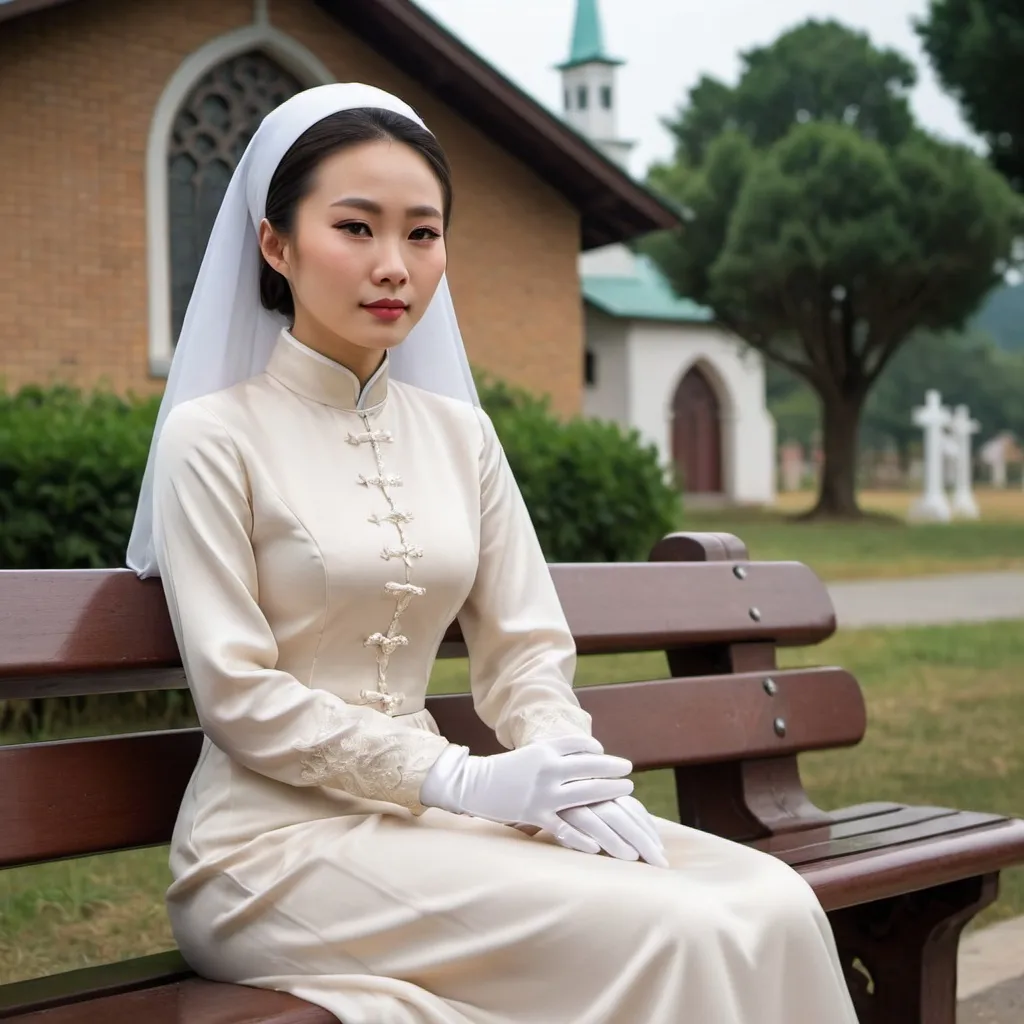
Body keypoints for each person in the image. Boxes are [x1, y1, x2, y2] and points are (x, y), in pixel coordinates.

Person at [127, 83, 859, 1024]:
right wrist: (459, 778)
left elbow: (525, 649)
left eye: (422, 234)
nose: (394, 265)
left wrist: (563, 769)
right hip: (270, 854)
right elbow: (237, 696)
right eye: (356, 228)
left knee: (773, 902)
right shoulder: (212, 437)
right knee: (683, 930)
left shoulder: (459, 435)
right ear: (275, 244)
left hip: (436, 826)